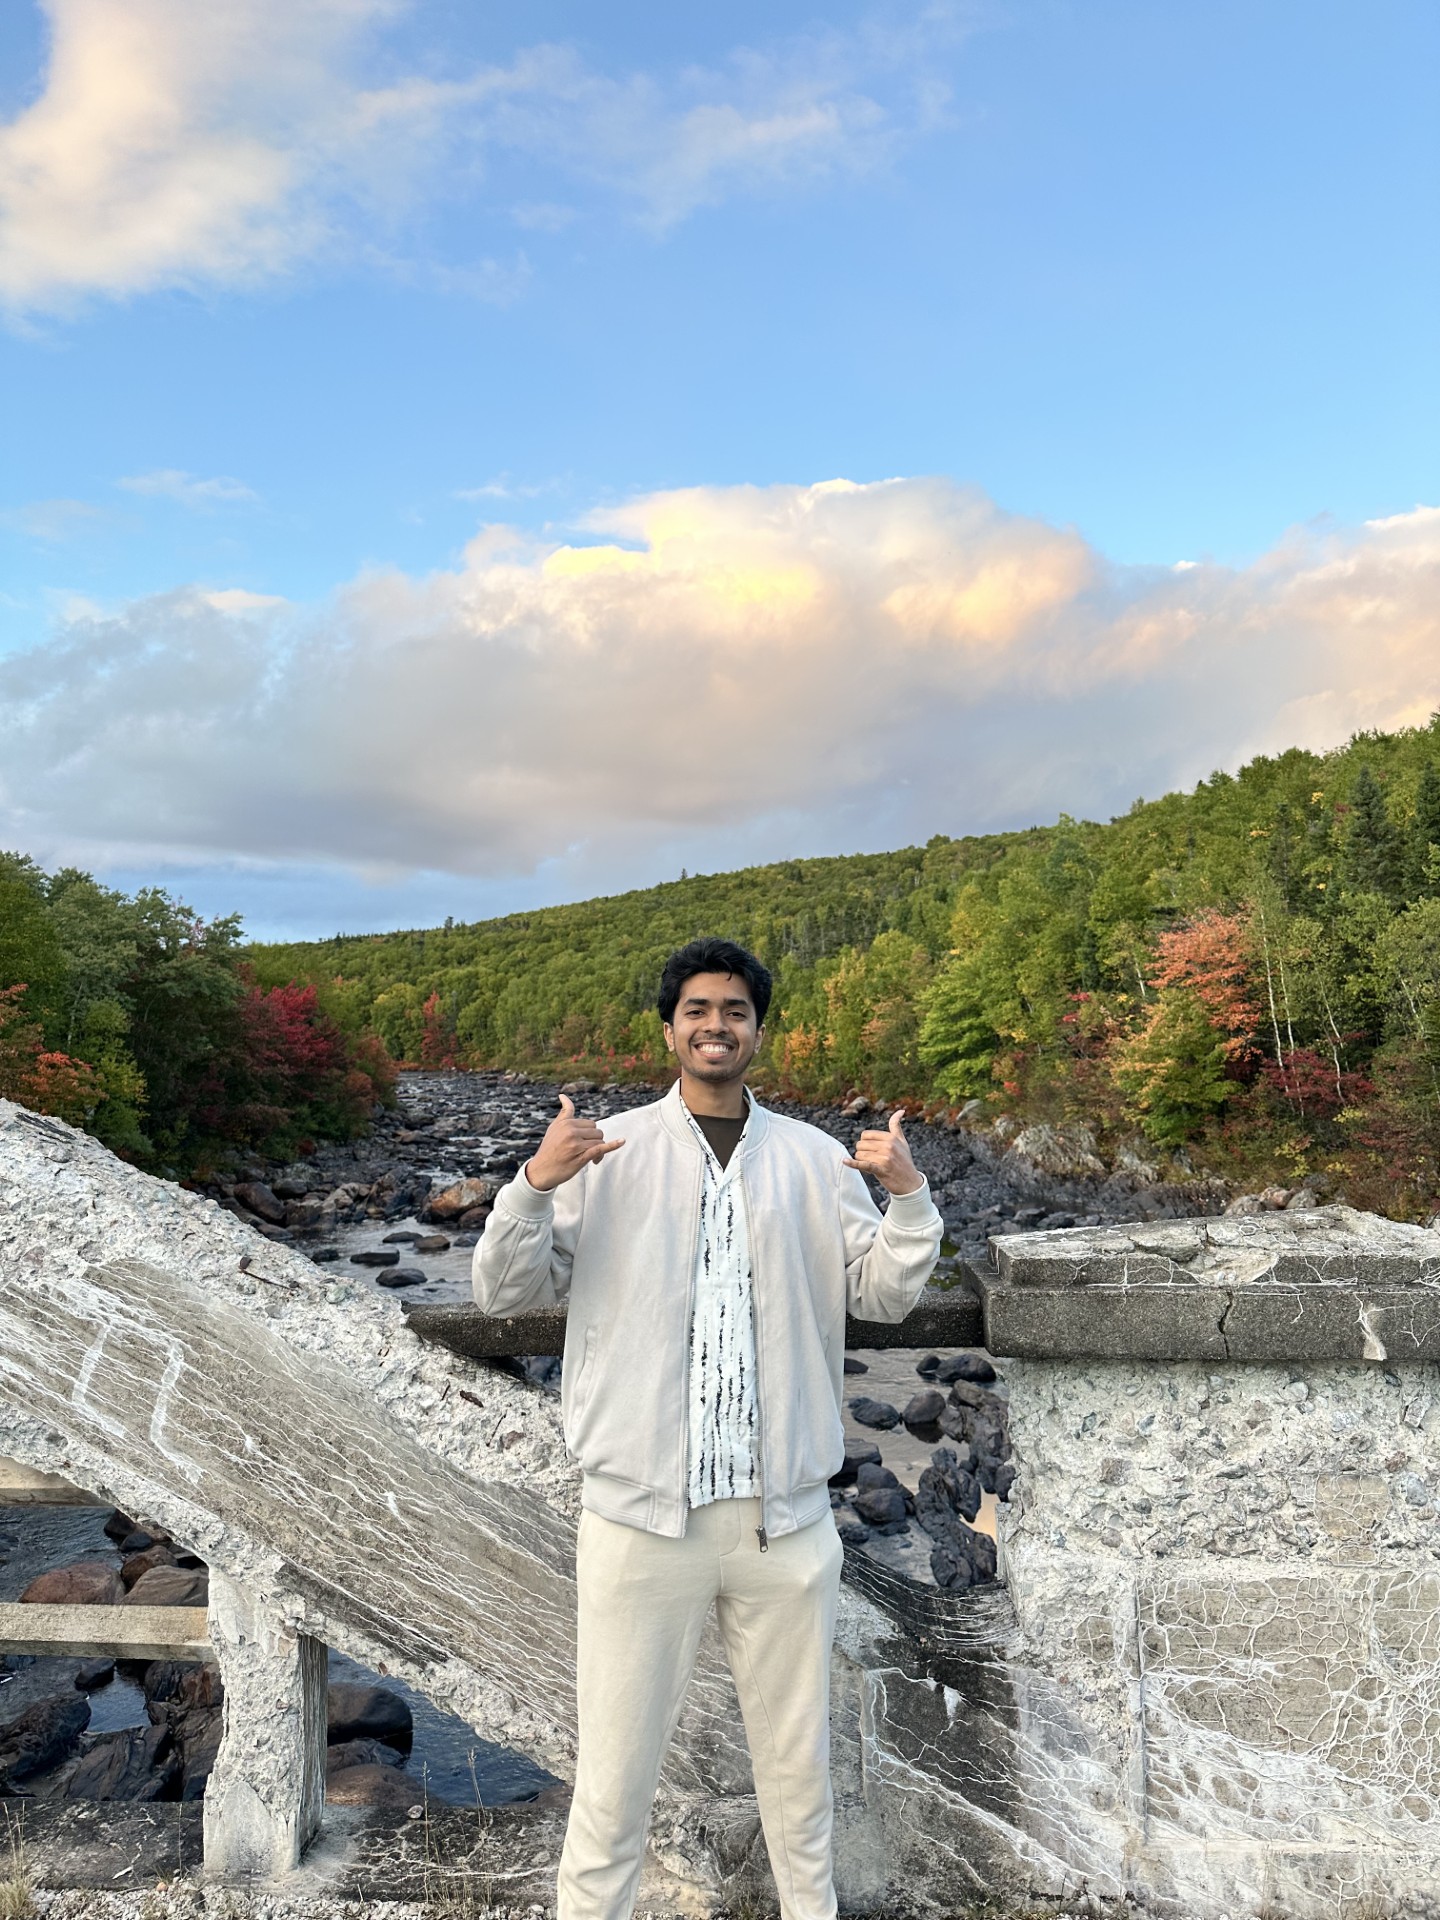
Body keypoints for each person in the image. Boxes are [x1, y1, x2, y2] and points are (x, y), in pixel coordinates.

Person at [473, 937, 942, 1920]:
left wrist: (906, 1195)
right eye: (697, 1009)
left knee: (801, 1790)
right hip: (642, 1524)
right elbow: (507, 1288)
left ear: (757, 1030)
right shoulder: (610, 1156)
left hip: (787, 1528)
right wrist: (533, 1182)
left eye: (734, 1010)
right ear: (669, 1028)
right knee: (610, 1791)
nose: (715, 1025)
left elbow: (887, 1295)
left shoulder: (816, 1162)